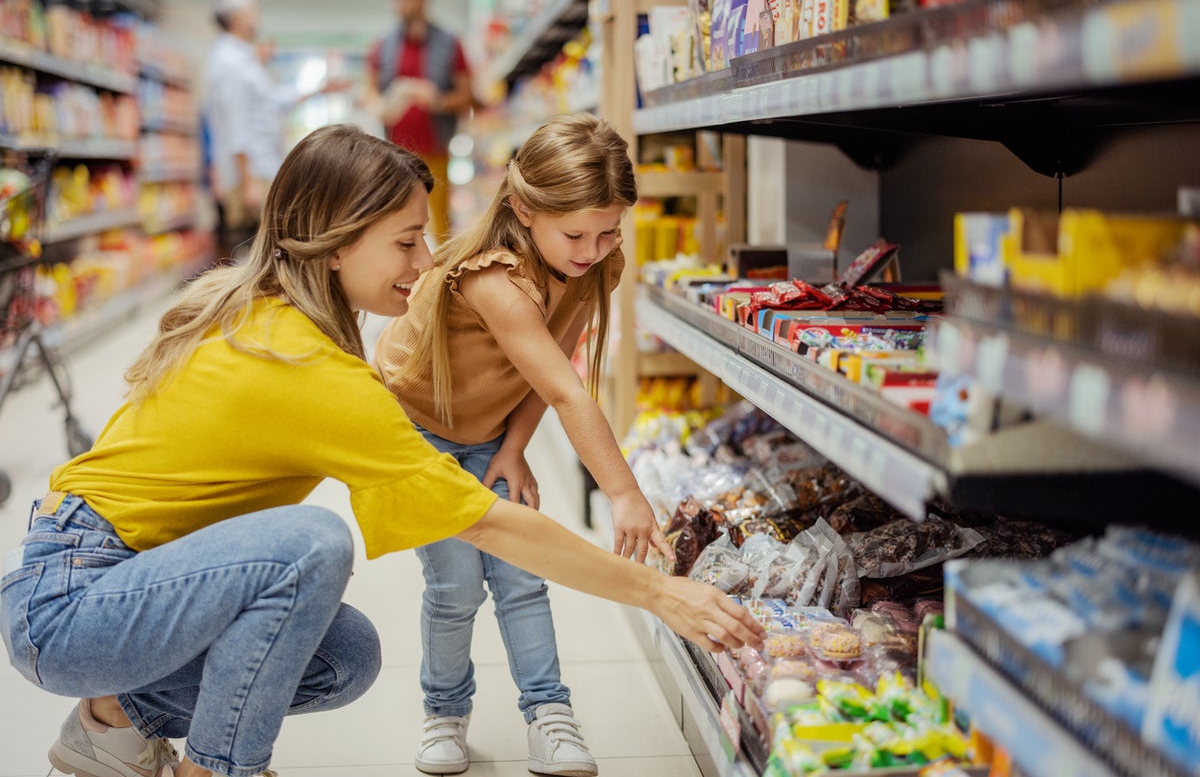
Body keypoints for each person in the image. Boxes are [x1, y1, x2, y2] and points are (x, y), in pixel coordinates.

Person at [0, 125, 763, 777]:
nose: (425, 260)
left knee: (347, 657)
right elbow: (489, 523)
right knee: (310, 544)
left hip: (108, 583)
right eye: (405, 240)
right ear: (334, 244)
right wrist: (660, 592)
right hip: (70, 603)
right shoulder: (306, 366)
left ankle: (112, 719)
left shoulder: (275, 319)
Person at [373, 113, 673, 777]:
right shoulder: (493, 281)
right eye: (575, 234)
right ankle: (444, 713)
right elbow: (570, 391)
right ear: (522, 210)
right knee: (454, 588)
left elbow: (554, 361)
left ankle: (549, 714)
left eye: (608, 232)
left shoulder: (591, 265)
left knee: (523, 577)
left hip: (486, 431)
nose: (592, 249)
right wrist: (623, 493)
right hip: (416, 435)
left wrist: (514, 446)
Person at [203, 0, 348, 260]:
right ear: (235, 18)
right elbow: (236, 125)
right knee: (253, 248)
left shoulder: (245, 59)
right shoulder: (228, 63)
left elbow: (273, 102)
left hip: (262, 167)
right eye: (252, 11)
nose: (258, 16)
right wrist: (248, 181)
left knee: (266, 246)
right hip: (250, 171)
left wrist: (320, 90)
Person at [364, 0, 473, 243]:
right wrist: (378, 105)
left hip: (435, 150)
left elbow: (467, 96)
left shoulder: (449, 43)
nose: (398, 5)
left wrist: (437, 100)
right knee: (397, 224)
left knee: (439, 226)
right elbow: (369, 90)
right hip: (395, 152)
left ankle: (440, 281)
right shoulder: (384, 44)